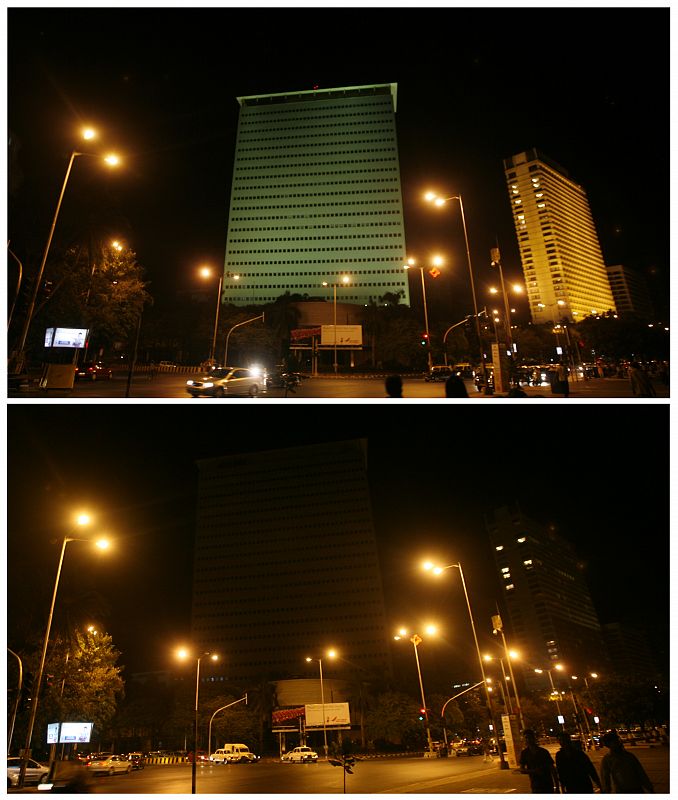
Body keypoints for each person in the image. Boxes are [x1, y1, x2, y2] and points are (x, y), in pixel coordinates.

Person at [519, 729, 560, 793]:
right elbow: (522, 769)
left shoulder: (543, 752)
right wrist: (533, 771)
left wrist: (557, 786)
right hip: (535, 785)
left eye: (530, 737)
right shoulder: (525, 753)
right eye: (526, 738)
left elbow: (552, 769)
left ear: (534, 738)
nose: (528, 740)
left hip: (547, 784)